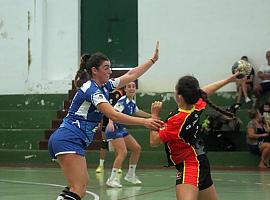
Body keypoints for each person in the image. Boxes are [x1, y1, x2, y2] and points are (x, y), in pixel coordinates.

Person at [48, 42, 163, 200]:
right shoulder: (92, 89)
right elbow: (113, 115)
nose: (110, 71)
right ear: (95, 70)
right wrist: (144, 122)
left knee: (80, 185)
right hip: (68, 138)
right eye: (106, 68)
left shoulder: (104, 86)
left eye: (110, 67)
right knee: (78, 187)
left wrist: (152, 60)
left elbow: (131, 75)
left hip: (70, 139)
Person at [149, 73, 240, 200]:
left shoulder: (177, 120)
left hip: (190, 164)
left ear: (179, 96)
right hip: (201, 161)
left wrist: (154, 116)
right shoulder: (196, 106)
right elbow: (207, 91)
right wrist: (229, 79)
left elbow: (154, 141)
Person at [105, 81, 152, 188]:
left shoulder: (132, 102)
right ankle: (112, 179)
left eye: (133, 86)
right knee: (122, 152)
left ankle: (130, 175)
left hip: (121, 129)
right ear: (125, 89)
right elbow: (113, 112)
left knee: (136, 148)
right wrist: (111, 123)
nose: (131, 88)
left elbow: (138, 112)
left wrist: (151, 116)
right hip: (114, 129)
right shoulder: (123, 100)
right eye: (129, 86)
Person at [95, 87, 125, 173]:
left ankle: (118, 166)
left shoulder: (120, 95)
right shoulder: (104, 93)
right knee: (104, 143)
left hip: (116, 120)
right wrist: (100, 121)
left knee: (118, 145)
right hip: (105, 119)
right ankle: (101, 165)